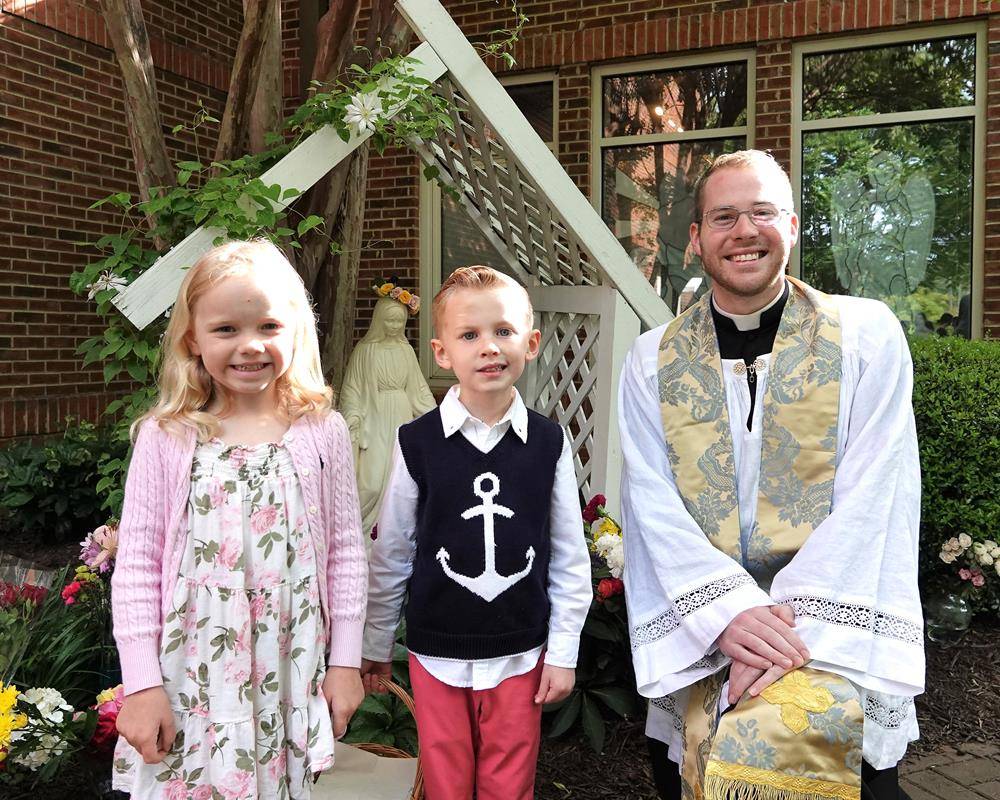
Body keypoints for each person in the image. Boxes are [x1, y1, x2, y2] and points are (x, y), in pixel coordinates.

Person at [619, 151, 923, 800]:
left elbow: (877, 496)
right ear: (697, 238)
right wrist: (727, 616)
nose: (744, 230)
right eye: (723, 216)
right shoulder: (651, 361)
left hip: (830, 638)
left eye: (761, 212)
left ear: (790, 223)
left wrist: (780, 631)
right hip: (706, 640)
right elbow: (651, 502)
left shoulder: (866, 338)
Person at [110, 240, 367, 798]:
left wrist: (346, 662)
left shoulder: (323, 432)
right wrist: (141, 684)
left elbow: (346, 551)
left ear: (295, 332)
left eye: (269, 327)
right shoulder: (169, 436)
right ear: (192, 339)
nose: (249, 346)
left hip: (288, 673)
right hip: (190, 677)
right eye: (226, 329)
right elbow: (135, 563)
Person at [360, 266, 592, 800]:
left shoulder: (548, 444)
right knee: (445, 777)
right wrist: (375, 642)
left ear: (530, 343)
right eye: (470, 335)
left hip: (520, 649)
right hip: (435, 650)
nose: (489, 347)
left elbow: (568, 556)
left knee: (510, 779)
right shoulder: (416, 443)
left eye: (503, 332)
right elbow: (393, 549)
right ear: (442, 353)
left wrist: (562, 652)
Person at [339, 292, 436, 542]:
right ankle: (360, 537)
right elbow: (352, 388)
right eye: (389, 321)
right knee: (370, 482)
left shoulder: (406, 351)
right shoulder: (366, 350)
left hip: (402, 416)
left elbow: (418, 387)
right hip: (374, 416)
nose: (394, 327)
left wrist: (435, 417)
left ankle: (393, 536)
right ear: (379, 321)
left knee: (401, 477)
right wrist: (353, 416)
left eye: (399, 322)